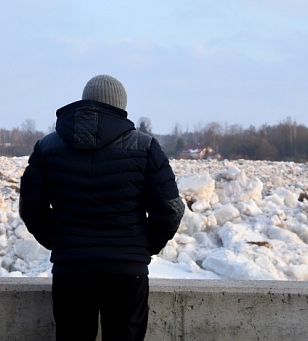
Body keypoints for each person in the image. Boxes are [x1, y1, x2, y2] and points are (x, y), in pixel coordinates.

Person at [19, 74, 184, 341]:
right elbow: (171, 209)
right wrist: (142, 246)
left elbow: (30, 207)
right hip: (127, 269)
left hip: (71, 267)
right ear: (121, 107)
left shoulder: (47, 147)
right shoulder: (145, 147)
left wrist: (60, 242)